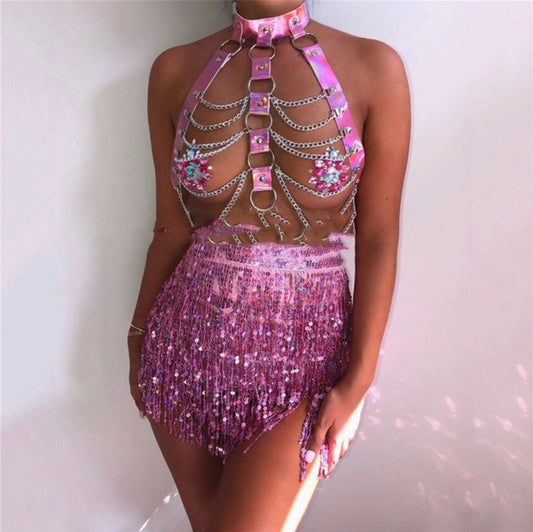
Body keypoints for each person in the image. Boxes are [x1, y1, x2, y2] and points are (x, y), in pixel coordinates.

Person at [128, 0, 410, 530]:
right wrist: (137, 337)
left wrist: (358, 380)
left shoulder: (376, 67)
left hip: (306, 366)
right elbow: (170, 227)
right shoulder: (172, 69)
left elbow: (378, 235)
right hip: (182, 352)